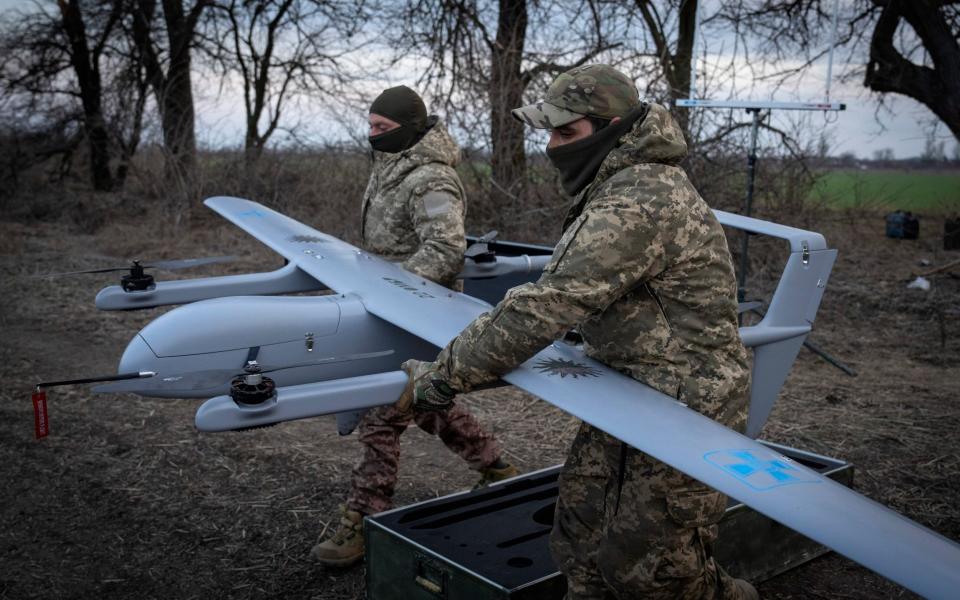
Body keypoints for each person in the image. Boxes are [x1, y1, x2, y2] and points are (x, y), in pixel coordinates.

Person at [395, 66, 760, 599]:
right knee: (580, 538)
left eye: (565, 133)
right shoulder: (616, 181)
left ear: (609, 127)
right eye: (549, 132)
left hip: (685, 405)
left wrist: (440, 377)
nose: (550, 147)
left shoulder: (638, 200)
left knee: (653, 573)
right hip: (629, 391)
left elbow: (548, 304)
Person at [311, 85, 518, 568]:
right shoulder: (391, 167)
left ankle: (362, 518)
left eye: (382, 128)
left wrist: (390, 288)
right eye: (371, 127)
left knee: (381, 414)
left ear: (407, 127)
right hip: (387, 311)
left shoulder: (430, 180)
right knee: (425, 403)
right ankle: (498, 468)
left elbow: (445, 249)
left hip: (417, 314)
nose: (373, 136)